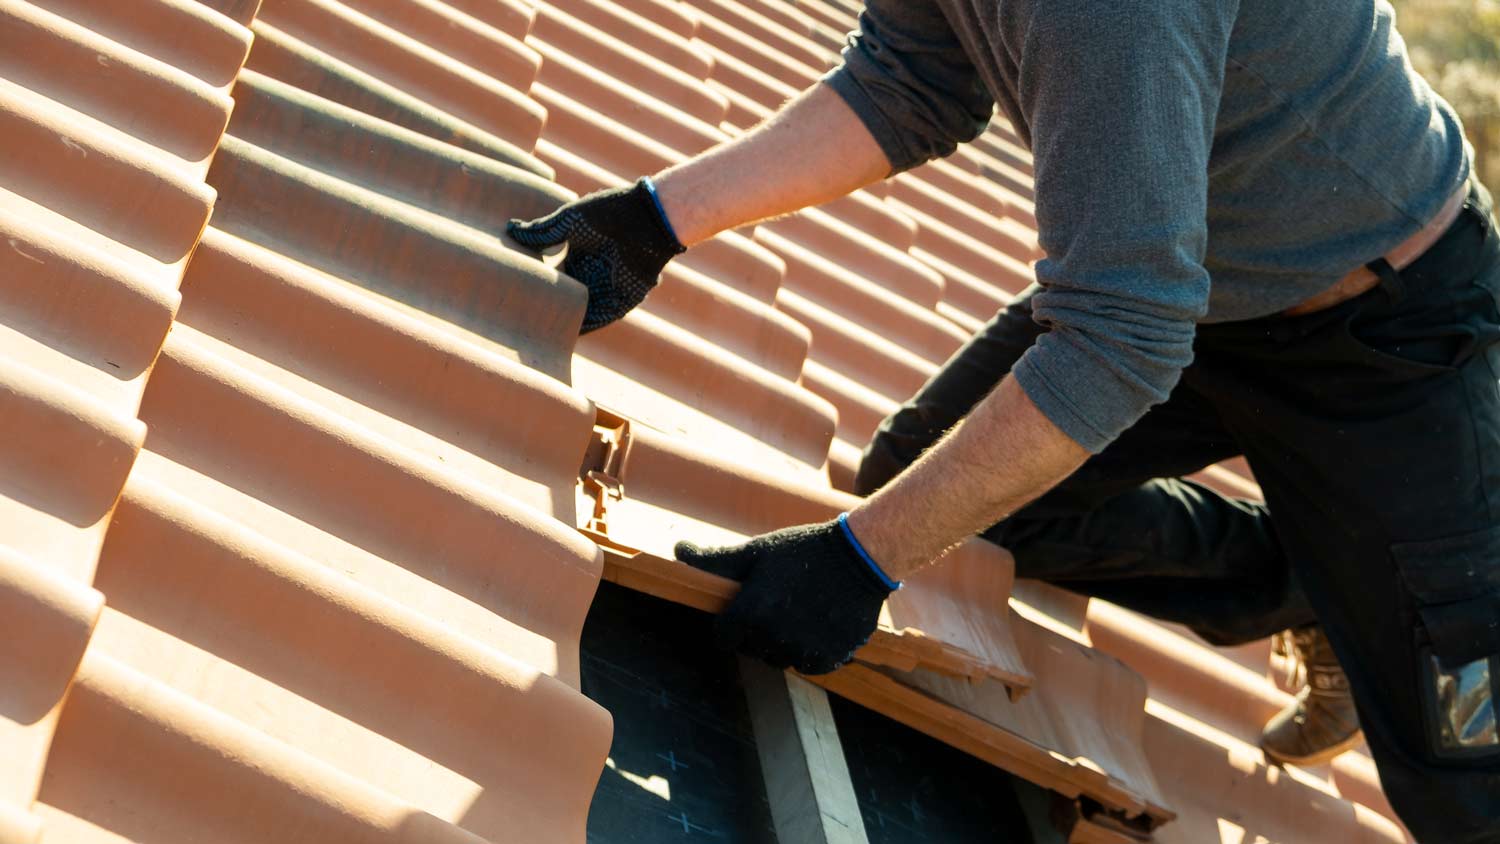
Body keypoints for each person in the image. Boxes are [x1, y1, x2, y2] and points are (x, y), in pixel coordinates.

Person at [507, 1, 1500, 839]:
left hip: (1389, 339)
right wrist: (657, 219)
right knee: (948, 484)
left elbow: (1120, 337)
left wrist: (861, 562)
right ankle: (1309, 585)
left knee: (1460, 778)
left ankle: (1372, 588)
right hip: (1192, 288)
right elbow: (909, 84)